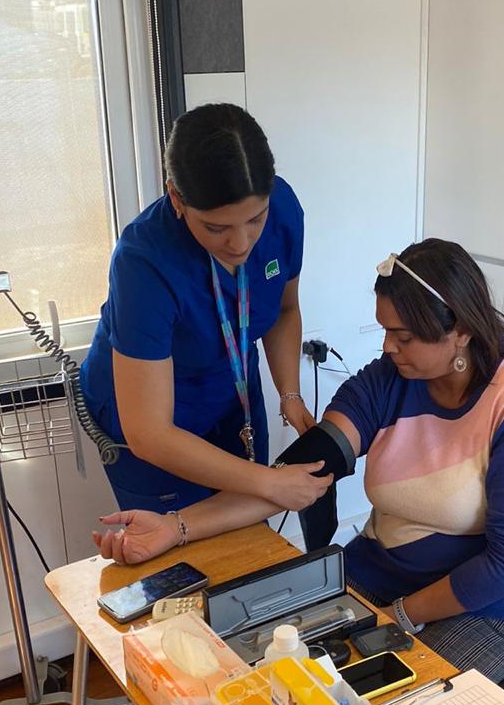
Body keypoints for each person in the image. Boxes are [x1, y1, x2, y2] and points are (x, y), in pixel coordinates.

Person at [93, 239, 504, 679]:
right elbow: (294, 478)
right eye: (386, 331)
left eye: (404, 336)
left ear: (462, 331)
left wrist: (401, 616)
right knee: (276, 671)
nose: (388, 347)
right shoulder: (389, 380)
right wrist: (175, 527)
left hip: (496, 603)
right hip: (384, 572)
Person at [79, 102, 330, 517]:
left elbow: (284, 310)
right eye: (217, 228)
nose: (241, 243)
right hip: (155, 414)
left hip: (234, 391)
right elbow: (150, 435)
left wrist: (289, 393)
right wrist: (269, 482)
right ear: (176, 197)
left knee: (247, 530)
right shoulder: (143, 262)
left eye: (255, 219)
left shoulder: (283, 209)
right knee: (181, 542)